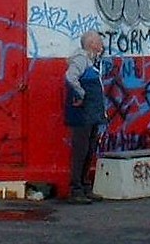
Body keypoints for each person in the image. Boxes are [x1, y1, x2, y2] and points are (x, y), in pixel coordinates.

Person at [64, 30, 107, 204]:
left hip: (92, 114)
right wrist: (81, 94)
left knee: (89, 150)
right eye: (99, 41)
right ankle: (76, 189)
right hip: (82, 115)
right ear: (91, 44)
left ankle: (84, 185)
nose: (102, 44)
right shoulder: (81, 59)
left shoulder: (91, 61)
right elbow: (70, 77)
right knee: (81, 151)